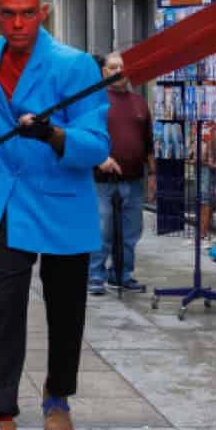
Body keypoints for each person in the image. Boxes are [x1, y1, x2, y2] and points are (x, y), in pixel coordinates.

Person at [0, 0, 109, 430]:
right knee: (3, 313)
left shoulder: (76, 66)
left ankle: (58, 395)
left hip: (63, 199)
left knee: (65, 311)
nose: (18, 23)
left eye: (28, 13)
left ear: (42, 11)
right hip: (8, 201)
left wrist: (54, 136)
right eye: (9, 14)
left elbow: (97, 143)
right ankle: (3, 424)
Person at [90, 51, 153, 295]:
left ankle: (122, 274)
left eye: (122, 67)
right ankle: (95, 275)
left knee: (131, 231)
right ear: (104, 72)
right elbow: (87, 136)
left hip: (135, 179)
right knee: (103, 229)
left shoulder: (139, 103)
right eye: (113, 67)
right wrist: (98, 160)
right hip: (102, 181)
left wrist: (153, 176)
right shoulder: (96, 101)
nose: (119, 71)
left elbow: (148, 143)